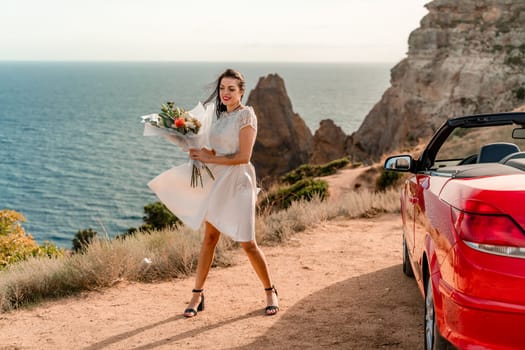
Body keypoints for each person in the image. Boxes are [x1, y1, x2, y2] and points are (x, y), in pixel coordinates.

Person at [147, 68, 279, 317]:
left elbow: (243, 157)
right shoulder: (216, 117)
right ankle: (197, 295)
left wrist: (208, 157)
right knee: (209, 238)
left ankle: (270, 291)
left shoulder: (246, 116)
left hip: (239, 182)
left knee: (248, 243)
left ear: (241, 91)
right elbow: (211, 150)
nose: (225, 93)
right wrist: (194, 150)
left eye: (231, 89)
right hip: (216, 181)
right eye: (222, 88)